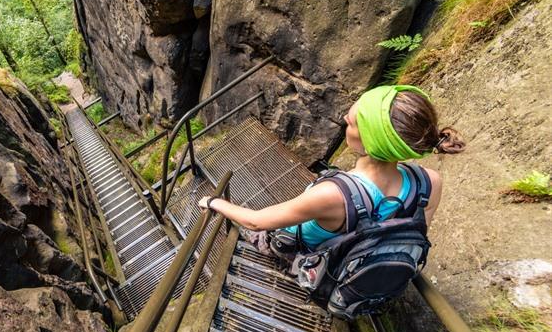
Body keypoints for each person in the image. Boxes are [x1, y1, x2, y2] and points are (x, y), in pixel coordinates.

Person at [198, 85, 465, 252]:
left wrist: (214, 201)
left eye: (350, 123)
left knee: (257, 233)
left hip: (308, 253)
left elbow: (254, 220)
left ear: (370, 141)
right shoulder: (429, 182)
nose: (344, 120)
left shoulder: (332, 195)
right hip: (360, 255)